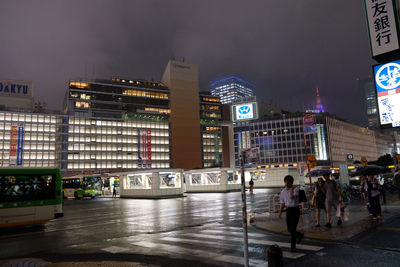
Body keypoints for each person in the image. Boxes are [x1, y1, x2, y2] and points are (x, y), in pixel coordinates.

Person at [279, 175, 304, 251]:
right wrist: (280, 212)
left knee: (293, 228)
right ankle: (299, 235)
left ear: (291, 182)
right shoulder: (283, 191)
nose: (286, 183)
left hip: (295, 210)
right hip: (288, 210)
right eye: (285, 181)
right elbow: (282, 203)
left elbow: (291, 197)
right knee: (289, 229)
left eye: (287, 182)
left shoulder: (296, 190)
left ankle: (293, 247)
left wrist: (291, 189)